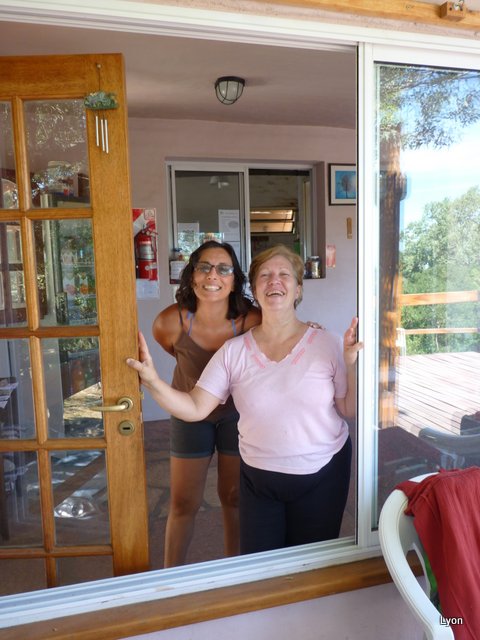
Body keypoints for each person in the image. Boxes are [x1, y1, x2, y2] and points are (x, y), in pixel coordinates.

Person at [128, 244, 362, 554]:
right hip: (258, 477)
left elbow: (349, 408)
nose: (274, 281)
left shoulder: (326, 342)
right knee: (258, 566)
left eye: (284, 274)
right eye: (265, 275)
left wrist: (351, 364)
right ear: (254, 288)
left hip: (322, 472)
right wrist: (152, 381)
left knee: (311, 564)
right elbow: (195, 407)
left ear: (298, 289)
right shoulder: (233, 349)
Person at [151, 240, 261, 566]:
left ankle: (234, 574)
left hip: (237, 416)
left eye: (223, 269)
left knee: (234, 497)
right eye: (204, 267)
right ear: (192, 275)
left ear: (234, 280)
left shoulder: (252, 321)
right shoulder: (169, 322)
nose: (213, 275)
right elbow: (173, 351)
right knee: (183, 502)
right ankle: (172, 579)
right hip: (189, 414)